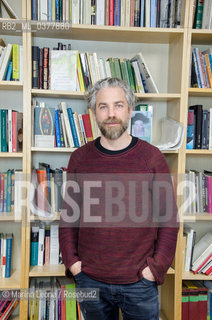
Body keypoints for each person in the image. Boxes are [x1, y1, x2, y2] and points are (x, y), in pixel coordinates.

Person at [59, 77, 179, 320]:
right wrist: (74, 265)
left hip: (139, 283)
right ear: (94, 113)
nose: (111, 113)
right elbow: (69, 217)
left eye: (118, 105)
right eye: (103, 106)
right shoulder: (80, 158)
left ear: (130, 110)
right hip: (90, 280)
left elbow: (169, 219)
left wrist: (155, 269)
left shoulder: (151, 158)